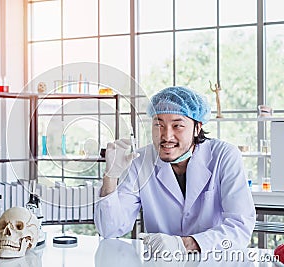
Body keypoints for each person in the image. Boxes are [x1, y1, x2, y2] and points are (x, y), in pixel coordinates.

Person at [94, 86, 256, 254]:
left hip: (214, 260)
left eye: (177, 125)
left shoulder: (224, 156)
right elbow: (109, 229)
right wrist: (110, 177)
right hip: (162, 263)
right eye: (159, 124)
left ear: (197, 128)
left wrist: (185, 244)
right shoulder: (140, 160)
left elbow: (240, 227)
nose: (166, 136)